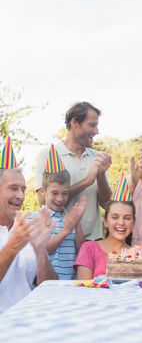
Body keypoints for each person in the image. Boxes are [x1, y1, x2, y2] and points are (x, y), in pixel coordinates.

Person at [34, 101, 112, 241]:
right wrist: (87, 181)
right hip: (60, 243)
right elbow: (43, 201)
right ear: (75, 123)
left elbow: (107, 205)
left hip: (94, 241)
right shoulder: (47, 154)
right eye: (92, 125)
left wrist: (100, 176)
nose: (97, 131)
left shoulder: (97, 157)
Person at [0, 168, 57, 312]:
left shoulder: (26, 231)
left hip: (29, 319)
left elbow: (50, 288)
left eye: (23, 189)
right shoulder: (20, 236)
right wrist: (13, 246)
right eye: (13, 188)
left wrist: (40, 251)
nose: (20, 196)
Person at [30, 164, 88, 280]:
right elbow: (44, 250)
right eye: (55, 193)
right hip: (46, 283)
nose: (60, 198)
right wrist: (66, 230)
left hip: (70, 284)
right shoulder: (35, 218)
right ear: (43, 191)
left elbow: (82, 252)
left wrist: (76, 223)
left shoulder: (70, 218)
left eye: (65, 193)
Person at [74, 199, 136, 280]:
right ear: (105, 221)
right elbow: (84, 287)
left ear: (133, 223)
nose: (121, 222)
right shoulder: (89, 248)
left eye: (127, 218)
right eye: (114, 217)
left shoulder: (138, 256)